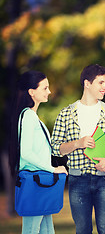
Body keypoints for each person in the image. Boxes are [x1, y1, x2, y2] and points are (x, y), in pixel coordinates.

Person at [51, 64, 105, 234]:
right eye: (101, 83)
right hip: (77, 180)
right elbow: (55, 149)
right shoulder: (66, 113)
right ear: (87, 83)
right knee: (82, 230)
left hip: (104, 179)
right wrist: (77, 143)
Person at [9, 70, 68, 234]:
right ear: (32, 92)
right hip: (35, 182)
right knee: (31, 230)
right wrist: (53, 169)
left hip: (40, 183)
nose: (49, 91)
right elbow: (26, 153)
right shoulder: (28, 117)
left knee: (47, 230)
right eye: (45, 88)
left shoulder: (32, 117)